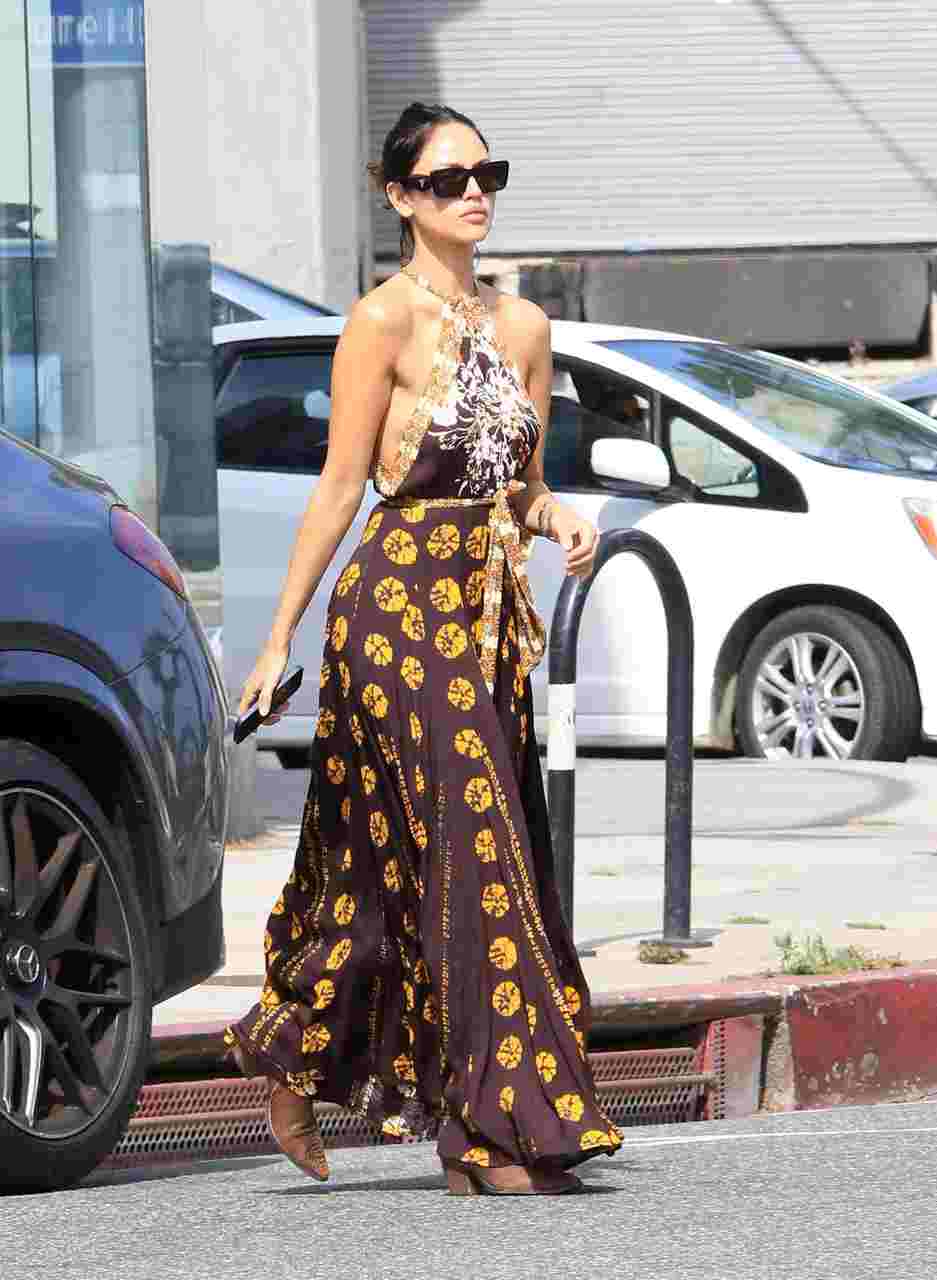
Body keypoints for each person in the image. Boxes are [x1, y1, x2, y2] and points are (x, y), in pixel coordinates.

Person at [225, 101, 622, 1196]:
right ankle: (497, 1127)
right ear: (400, 196)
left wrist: (562, 519)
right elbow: (341, 488)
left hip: (486, 614)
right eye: (447, 179)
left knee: (392, 860)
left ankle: (301, 1054)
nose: (473, 193)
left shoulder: (528, 329)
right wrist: (276, 638)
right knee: (478, 845)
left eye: (485, 172)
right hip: (394, 609)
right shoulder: (380, 321)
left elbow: (524, 490)